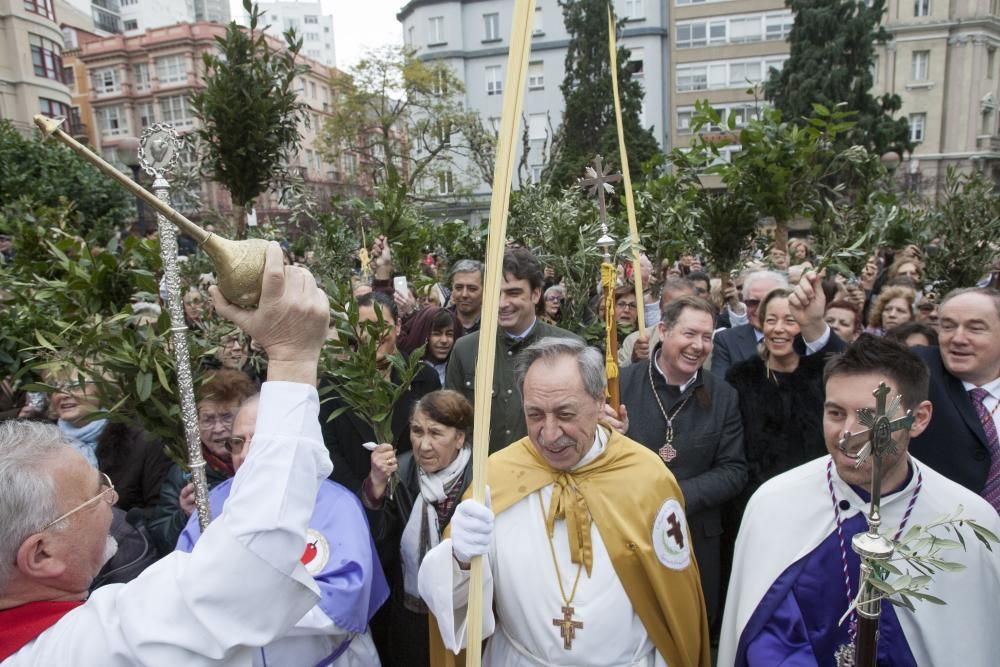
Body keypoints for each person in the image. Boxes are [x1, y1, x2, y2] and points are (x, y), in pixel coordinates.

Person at [0, 241, 351, 665]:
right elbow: (249, 570)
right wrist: (293, 358)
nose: (114, 501)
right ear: (41, 554)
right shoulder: (82, 649)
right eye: (97, 493)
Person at [420, 338, 710, 666]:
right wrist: (459, 559)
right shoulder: (497, 477)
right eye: (535, 415)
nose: (550, 433)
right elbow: (457, 608)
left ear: (600, 402)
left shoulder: (646, 478)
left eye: (565, 413)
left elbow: (676, 601)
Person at [719, 335, 1000, 666]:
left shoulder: (968, 520)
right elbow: (761, 636)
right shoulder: (774, 503)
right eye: (836, 413)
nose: (848, 434)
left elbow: (970, 645)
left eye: (870, 418)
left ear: (919, 419)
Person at [177, 395, 388, 666]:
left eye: (259, 441)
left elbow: (343, 600)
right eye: (237, 443)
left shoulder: (336, 505)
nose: (245, 454)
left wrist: (239, 605)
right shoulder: (213, 505)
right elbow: (184, 585)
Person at [619, 296, 747, 625]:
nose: (698, 346)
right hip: (628, 534)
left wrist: (673, 496)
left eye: (707, 337)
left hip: (694, 540)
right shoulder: (622, 385)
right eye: (689, 334)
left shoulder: (724, 395)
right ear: (663, 330)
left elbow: (734, 471)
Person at [361, 390, 474, 667]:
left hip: (463, 614)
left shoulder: (481, 478)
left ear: (459, 438)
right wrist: (374, 489)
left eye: (435, 433)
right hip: (409, 612)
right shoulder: (400, 472)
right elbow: (377, 545)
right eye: (417, 431)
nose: (423, 445)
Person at [724, 275, 847, 517]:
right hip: (754, 505)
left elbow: (852, 366)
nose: (778, 329)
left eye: (789, 321)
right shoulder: (740, 378)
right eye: (771, 320)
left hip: (816, 503)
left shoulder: (822, 376)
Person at [446, 248, 581, 454]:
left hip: (549, 475)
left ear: (536, 294)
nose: (502, 304)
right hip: (483, 478)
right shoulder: (466, 350)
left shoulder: (569, 348)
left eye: (513, 293)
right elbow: (451, 422)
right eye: (496, 293)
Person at [321, 292, 440, 493]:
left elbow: (436, 439)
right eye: (362, 326)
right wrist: (365, 495)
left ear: (398, 326)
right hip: (353, 500)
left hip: (413, 496)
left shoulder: (422, 377)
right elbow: (328, 450)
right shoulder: (335, 383)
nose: (372, 335)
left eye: (381, 325)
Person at [148, 368, 256, 555]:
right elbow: (160, 538)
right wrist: (184, 516)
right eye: (208, 419)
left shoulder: (263, 461)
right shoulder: (184, 472)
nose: (218, 429)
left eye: (227, 417)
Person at [909, 287, 1000, 505]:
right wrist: (814, 327)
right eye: (948, 327)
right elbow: (853, 369)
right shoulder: (917, 368)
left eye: (975, 329)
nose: (958, 338)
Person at [47, 371, 171, 521]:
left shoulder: (142, 440)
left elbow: (160, 512)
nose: (63, 394)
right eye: (55, 387)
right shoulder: (40, 445)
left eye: (75, 385)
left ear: (103, 389)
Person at [712, 271, 789, 380]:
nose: (759, 310)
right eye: (753, 302)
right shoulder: (727, 340)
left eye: (767, 302)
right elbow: (720, 388)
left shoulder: (799, 338)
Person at [618, 277, 696, 367]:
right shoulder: (636, 340)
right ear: (660, 306)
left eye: (684, 306)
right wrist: (632, 361)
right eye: (671, 306)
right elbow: (614, 378)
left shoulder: (705, 344)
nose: (677, 313)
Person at [397, 306, 461, 387]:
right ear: (424, 335)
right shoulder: (406, 370)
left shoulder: (460, 371)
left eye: (449, 334)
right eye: (437, 334)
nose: (444, 340)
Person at [449, 259, 484, 336]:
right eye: (459, 287)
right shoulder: (440, 321)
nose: (464, 294)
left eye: (472, 288)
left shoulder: (495, 324)